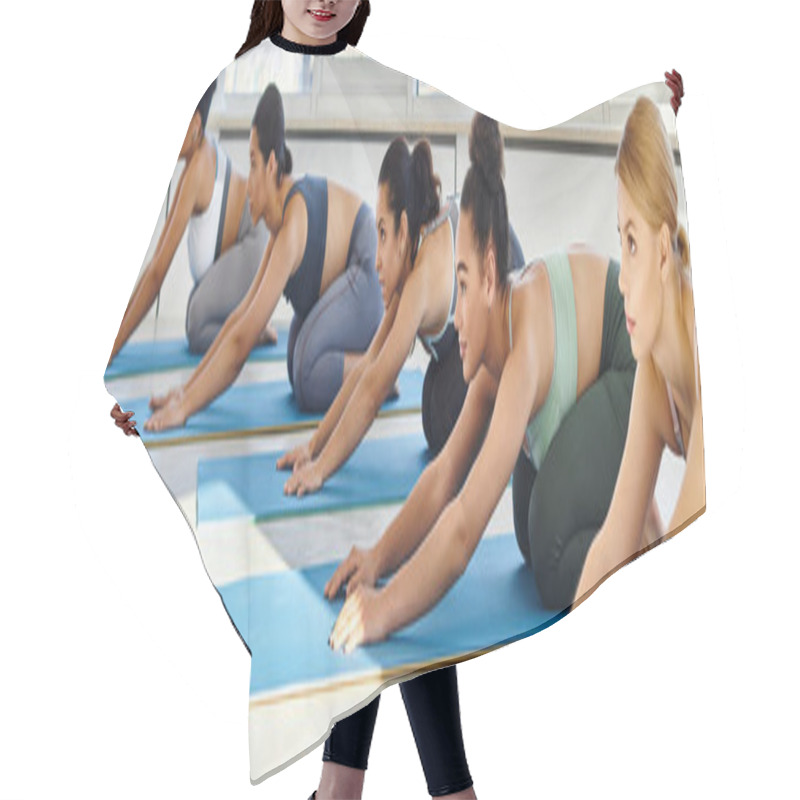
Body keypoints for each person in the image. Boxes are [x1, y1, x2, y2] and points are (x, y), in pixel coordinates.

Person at [326, 110, 642, 653]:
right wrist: (378, 558)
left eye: (464, 286)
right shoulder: (494, 361)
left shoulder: (520, 354)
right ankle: (626, 507)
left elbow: (464, 530)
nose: (454, 317)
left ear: (492, 273)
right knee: (527, 533)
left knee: (550, 554)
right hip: (585, 362)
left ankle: (645, 537)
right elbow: (445, 476)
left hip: (627, 362)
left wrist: (382, 613)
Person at [142, 79, 383, 431]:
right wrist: (185, 390)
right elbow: (240, 318)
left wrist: (186, 410)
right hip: (342, 282)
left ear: (272, 166)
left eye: (252, 163)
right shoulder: (277, 222)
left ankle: (379, 372)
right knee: (295, 365)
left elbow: (242, 342)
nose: (247, 179)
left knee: (308, 377)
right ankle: (368, 365)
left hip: (367, 271)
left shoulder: (292, 222)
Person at [573, 93, 704, 601]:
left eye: (632, 243)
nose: (621, 281)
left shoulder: (706, 350)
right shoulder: (652, 372)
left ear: (664, 249)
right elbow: (612, 545)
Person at [107, 79, 270, 365]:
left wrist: (112, 349)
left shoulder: (199, 168)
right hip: (242, 246)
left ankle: (254, 331)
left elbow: (158, 273)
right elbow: (155, 262)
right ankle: (247, 322)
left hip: (254, 240)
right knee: (197, 314)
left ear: (195, 123)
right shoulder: (194, 163)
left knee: (198, 325)